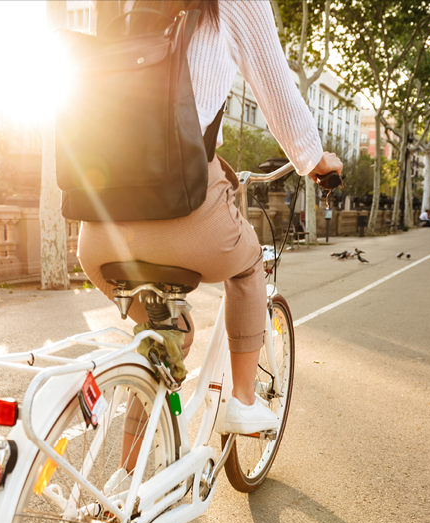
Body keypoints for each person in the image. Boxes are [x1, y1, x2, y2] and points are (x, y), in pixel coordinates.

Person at [77, 0, 342, 448]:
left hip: (97, 233)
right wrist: (315, 160)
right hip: (183, 208)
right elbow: (276, 88)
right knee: (249, 264)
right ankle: (241, 399)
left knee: (164, 337)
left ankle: (124, 494)